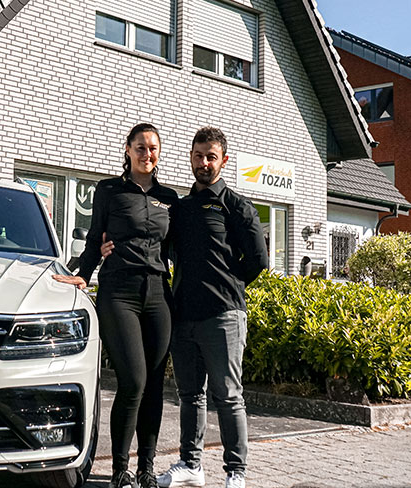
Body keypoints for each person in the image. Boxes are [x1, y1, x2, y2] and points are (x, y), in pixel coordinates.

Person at [53, 123, 178, 488]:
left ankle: (146, 469)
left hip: (158, 295)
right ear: (127, 149)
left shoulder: (169, 197)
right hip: (119, 292)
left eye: (153, 148)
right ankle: (120, 470)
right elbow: (95, 239)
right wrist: (83, 274)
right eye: (140, 147)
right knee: (133, 381)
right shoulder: (109, 190)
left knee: (154, 386)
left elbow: (178, 247)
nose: (147, 154)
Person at [156, 127, 269, 488]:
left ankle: (236, 472)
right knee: (190, 395)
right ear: (190, 157)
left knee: (228, 396)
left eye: (211, 156)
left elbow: (259, 261)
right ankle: (191, 465)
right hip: (183, 316)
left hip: (223, 316)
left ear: (224, 160)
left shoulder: (237, 206)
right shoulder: (180, 208)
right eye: (198, 155)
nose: (203, 162)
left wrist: (227, 285)